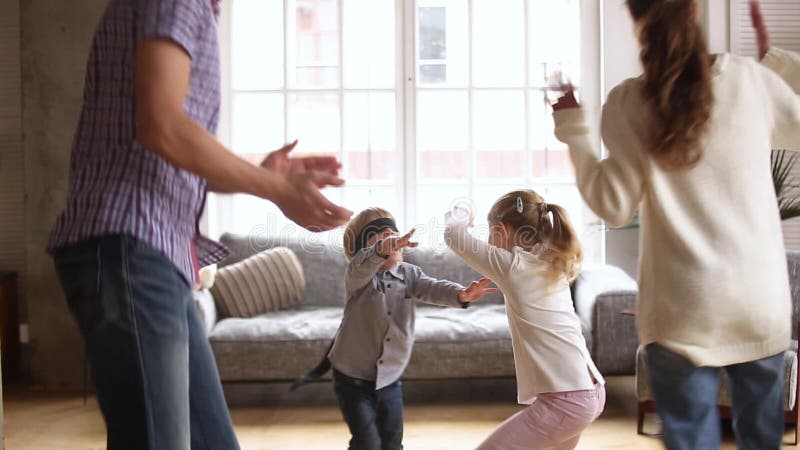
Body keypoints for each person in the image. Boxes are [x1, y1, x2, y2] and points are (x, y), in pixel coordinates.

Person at [47, 0, 352, 448]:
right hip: (129, 250)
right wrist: (275, 188)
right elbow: (163, 127)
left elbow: (169, 149)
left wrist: (267, 173)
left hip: (150, 254)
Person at [551, 0, 800, 448]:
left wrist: (573, 128)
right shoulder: (750, 81)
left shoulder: (628, 102)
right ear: (695, 11)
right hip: (757, 304)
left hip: (681, 311)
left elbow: (612, 205)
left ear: (634, 17)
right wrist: (782, 68)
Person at [310, 207, 495, 450]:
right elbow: (362, 265)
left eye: (393, 233)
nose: (390, 237)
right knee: (367, 443)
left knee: (392, 441)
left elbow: (432, 287)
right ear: (361, 250)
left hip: (389, 378)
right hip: (351, 378)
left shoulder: (409, 275)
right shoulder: (358, 276)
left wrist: (461, 294)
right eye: (378, 234)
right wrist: (382, 247)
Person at [444, 191, 605, 450]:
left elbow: (453, 235)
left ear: (502, 230)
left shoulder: (513, 265)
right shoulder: (552, 261)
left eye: (490, 231)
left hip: (567, 402)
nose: (488, 239)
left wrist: (462, 211)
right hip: (591, 392)